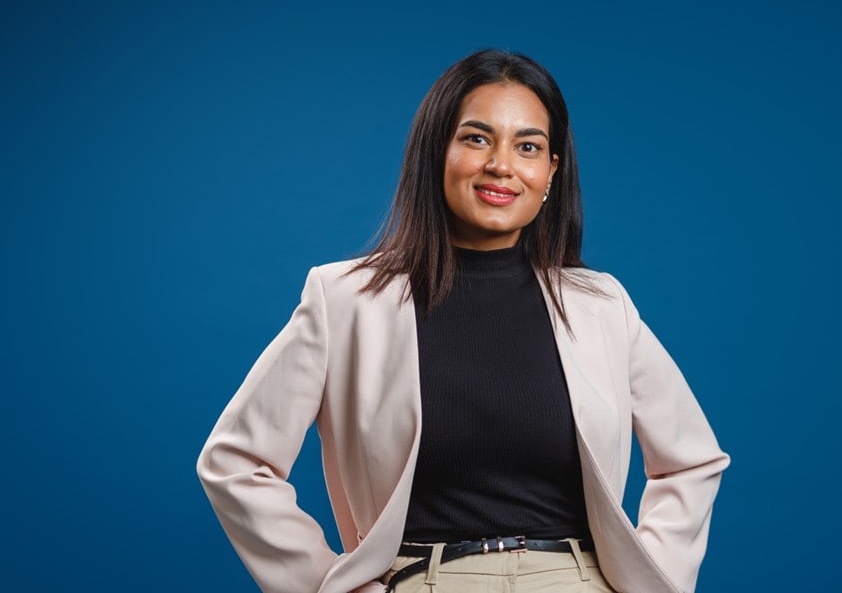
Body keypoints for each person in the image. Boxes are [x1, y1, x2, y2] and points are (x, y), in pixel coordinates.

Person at [197, 49, 730, 593]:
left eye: (528, 146)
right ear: (437, 152)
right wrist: (330, 586)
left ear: (551, 171)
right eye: (477, 138)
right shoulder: (347, 300)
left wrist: (653, 582)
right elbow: (236, 463)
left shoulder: (602, 306)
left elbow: (689, 461)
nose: (501, 165)